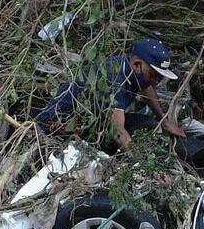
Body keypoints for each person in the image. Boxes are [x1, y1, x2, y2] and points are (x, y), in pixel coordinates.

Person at [35, 37, 185, 149]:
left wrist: (164, 121)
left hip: (95, 122)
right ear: (137, 64)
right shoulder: (114, 79)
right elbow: (117, 132)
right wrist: (141, 160)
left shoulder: (133, 71)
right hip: (59, 126)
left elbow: (147, 87)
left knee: (150, 125)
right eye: (153, 75)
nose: (155, 82)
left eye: (159, 77)